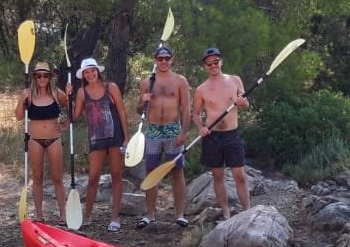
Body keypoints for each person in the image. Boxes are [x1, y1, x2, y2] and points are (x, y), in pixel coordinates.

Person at [70, 57, 129, 232]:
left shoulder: (111, 88)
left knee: (116, 175)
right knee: (93, 177)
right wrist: (68, 97)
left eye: (92, 70)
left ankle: (115, 217)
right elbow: (75, 116)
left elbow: (122, 112)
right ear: (83, 75)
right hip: (96, 139)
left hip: (115, 136)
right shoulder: (82, 92)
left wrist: (127, 138)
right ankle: (87, 215)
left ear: (97, 71)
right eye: (86, 72)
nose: (90, 74)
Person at [136, 45, 191, 229]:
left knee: (177, 171)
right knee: (151, 171)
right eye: (160, 59)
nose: (164, 62)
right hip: (153, 130)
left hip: (172, 129)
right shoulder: (147, 82)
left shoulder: (180, 81)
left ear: (172, 60)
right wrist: (141, 101)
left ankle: (180, 215)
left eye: (167, 58)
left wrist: (183, 132)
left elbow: (186, 109)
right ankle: (150, 215)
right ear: (155, 60)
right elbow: (139, 110)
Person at [192, 47, 250, 218]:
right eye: (209, 63)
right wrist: (200, 127)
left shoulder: (235, 80)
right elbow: (195, 114)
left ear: (221, 62)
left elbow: (246, 104)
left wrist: (242, 102)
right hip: (213, 136)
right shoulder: (201, 89)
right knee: (218, 175)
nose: (213, 65)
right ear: (205, 66)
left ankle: (247, 212)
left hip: (232, 135)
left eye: (215, 62)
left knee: (239, 175)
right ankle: (226, 213)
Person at [15, 61, 70, 225]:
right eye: (39, 75)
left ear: (49, 77)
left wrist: (66, 124)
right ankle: (39, 215)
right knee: (37, 178)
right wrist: (20, 100)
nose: (42, 78)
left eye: (45, 75)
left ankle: (63, 214)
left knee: (57, 178)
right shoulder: (28, 94)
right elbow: (18, 116)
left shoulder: (55, 93)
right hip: (35, 140)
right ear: (34, 77)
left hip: (54, 139)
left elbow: (72, 106)